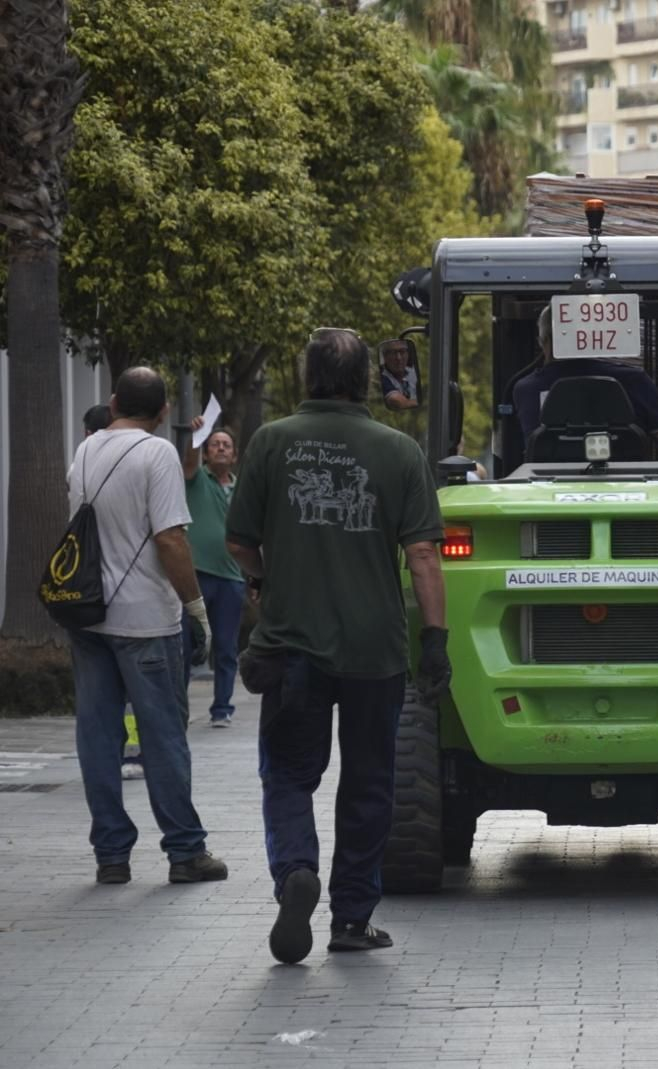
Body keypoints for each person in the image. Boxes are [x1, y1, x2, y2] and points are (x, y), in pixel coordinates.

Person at [226, 327, 450, 963]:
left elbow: (238, 542)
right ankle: (352, 918)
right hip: (374, 650)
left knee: (290, 774)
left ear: (308, 377)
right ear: (365, 383)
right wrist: (434, 641)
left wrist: (270, 578)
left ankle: (296, 870)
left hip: (293, 645)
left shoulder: (271, 442)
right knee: (370, 782)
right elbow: (424, 555)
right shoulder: (399, 450)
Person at [66, 368, 227, 887]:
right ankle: (185, 851)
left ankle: (110, 854)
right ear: (161, 414)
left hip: (89, 616)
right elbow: (172, 540)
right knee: (163, 736)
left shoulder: (86, 449)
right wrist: (196, 608)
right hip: (146, 621)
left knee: (97, 736)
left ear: (113, 403)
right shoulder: (156, 453)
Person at [513, 305, 658, 473]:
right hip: (630, 499)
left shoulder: (525, 390)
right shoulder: (634, 381)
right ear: (592, 337)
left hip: (550, 501)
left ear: (542, 340)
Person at [82, 404, 147, 781]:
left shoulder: (82, 465)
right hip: (136, 607)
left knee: (104, 702)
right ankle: (133, 754)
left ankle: (115, 759)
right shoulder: (143, 461)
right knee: (136, 696)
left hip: (87, 604)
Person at [182, 424, 245, 727]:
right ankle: (178, 708)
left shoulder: (242, 488)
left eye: (226, 445)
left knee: (226, 646)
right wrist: (196, 436)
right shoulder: (196, 480)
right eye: (215, 444)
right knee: (185, 643)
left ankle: (222, 708)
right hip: (196, 575)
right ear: (206, 453)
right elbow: (189, 463)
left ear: (234, 456)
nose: (221, 448)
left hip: (232, 577)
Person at [379, 339, 419, 410]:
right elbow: (397, 401)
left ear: (408, 354)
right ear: (385, 357)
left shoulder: (414, 373)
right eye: (393, 353)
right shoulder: (382, 378)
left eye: (402, 352)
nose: (398, 358)